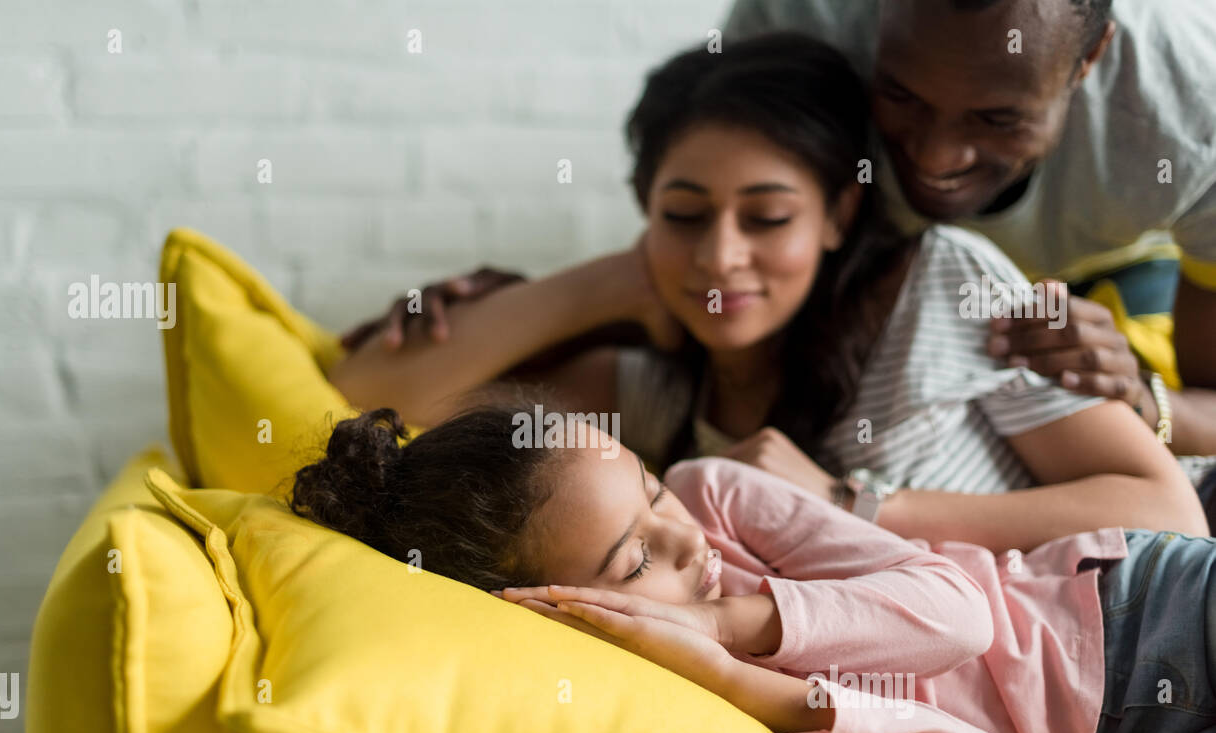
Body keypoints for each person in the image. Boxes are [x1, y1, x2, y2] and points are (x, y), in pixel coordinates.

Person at [329, 33, 1206, 553]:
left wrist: (842, 502)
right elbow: (374, 402)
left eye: (766, 217)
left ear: (838, 214)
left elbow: (1165, 512)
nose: (721, 255)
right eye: (683, 213)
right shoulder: (654, 390)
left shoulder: (944, 283)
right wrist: (617, 278)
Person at [289, 399, 1216, 733]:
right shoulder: (684, 700)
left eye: (649, 489)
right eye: (633, 561)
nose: (685, 535)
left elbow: (960, 613)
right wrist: (742, 684)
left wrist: (729, 620)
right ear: (565, 614)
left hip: (1129, 606)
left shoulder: (714, 494)